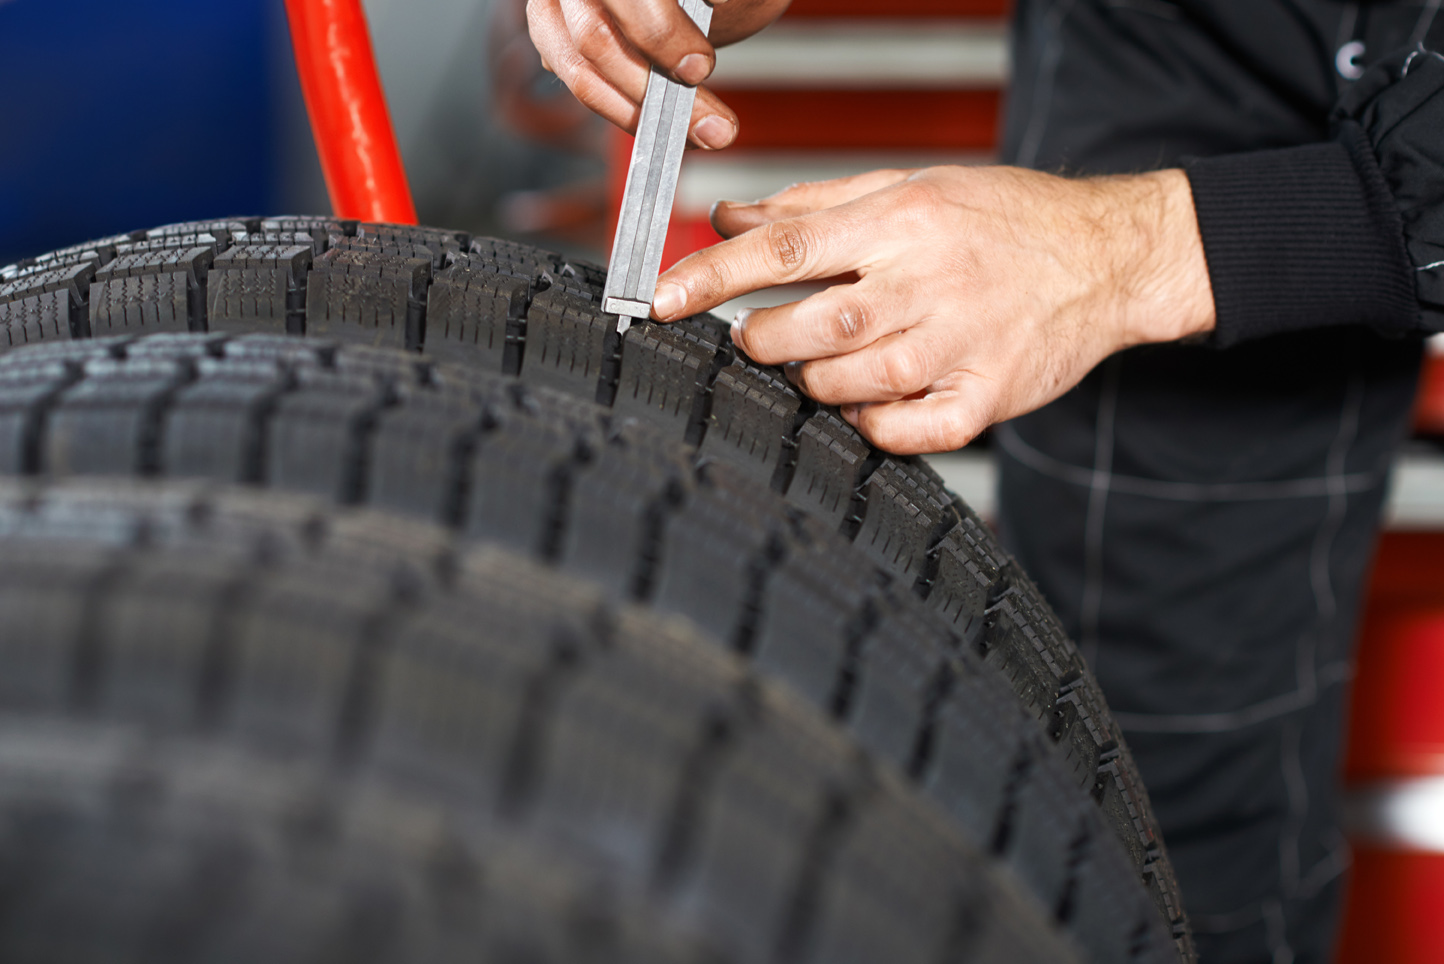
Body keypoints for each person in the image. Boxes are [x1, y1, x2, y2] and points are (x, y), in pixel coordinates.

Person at [528, 1, 1444, 961]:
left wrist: (1112, 253)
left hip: (1364, 92)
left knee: (1168, 838)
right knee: (1073, 763)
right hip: (1173, 36)